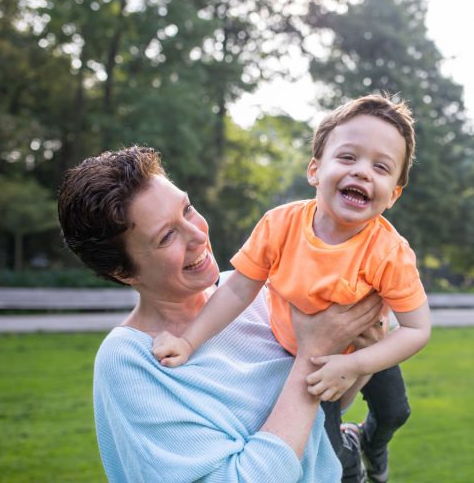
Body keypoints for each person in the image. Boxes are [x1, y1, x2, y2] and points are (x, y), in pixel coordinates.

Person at [57, 146, 385, 482]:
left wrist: (358, 353)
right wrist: (312, 353)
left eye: (187, 209)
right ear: (123, 272)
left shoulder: (261, 294)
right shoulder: (130, 362)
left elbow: (321, 413)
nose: (198, 235)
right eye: (167, 236)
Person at [152, 94, 432, 482]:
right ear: (315, 170)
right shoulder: (279, 226)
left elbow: (418, 329)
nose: (363, 172)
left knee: (396, 411)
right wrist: (188, 341)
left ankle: (373, 445)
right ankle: (352, 457)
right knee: (331, 457)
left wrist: (355, 364)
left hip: (366, 350)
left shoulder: (390, 253)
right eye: (348, 158)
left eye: (381, 167)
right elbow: (236, 291)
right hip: (308, 358)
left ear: (393, 195)